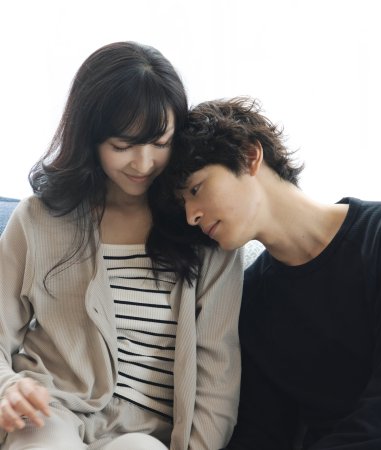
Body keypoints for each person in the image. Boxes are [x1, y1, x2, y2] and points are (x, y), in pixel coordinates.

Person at [164, 96, 381, 450]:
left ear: (250, 156)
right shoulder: (251, 300)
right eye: (184, 204)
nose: (191, 215)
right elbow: (262, 431)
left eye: (196, 189)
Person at [0, 42, 243, 450]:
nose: (143, 163)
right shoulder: (38, 219)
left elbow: (217, 371)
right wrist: (7, 388)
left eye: (160, 143)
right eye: (122, 146)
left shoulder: (203, 229)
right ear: (90, 139)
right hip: (49, 411)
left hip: (147, 434)